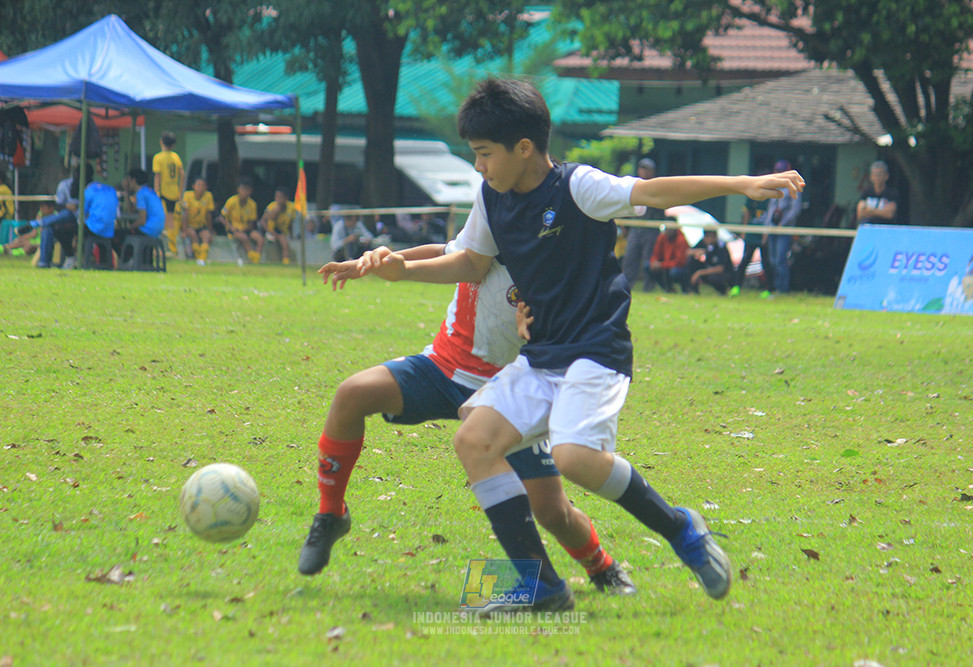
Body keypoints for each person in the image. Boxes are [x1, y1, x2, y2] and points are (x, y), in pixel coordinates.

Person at [325, 78, 805, 612]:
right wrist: (401, 270)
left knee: (576, 458)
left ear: (524, 148)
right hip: (540, 356)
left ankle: (680, 528)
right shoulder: (492, 197)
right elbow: (470, 262)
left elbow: (652, 192)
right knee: (474, 441)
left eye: (485, 154)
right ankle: (546, 589)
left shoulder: (577, 187)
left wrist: (741, 183)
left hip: (595, 352)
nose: (479, 167)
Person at [302, 238, 637, 598]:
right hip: (442, 367)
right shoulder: (496, 218)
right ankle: (330, 514)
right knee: (351, 394)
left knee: (554, 512)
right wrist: (384, 261)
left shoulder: (555, 256)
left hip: (506, 394)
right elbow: (448, 251)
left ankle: (601, 566)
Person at [54, 173, 118, 270]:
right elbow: (118, 214)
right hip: (109, 230)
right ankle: (102, 262)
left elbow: (81, 216)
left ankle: (71, 256)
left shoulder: (88, 192)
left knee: (59, 229)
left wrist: (76, 237)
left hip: (94, 228)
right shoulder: (111, 190)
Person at [621, 157, 664, 292]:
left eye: (648, 169)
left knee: (648, 260)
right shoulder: (633, 185)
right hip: (635, 228)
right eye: (642, 168)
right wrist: (625, 226)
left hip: (651, 229)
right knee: (630, 258)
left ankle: (648, 286)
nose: (645, 172)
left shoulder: (657, 186)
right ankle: (626, 286)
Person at [762, 159, 804, 294]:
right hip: (772, 229)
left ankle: (782, 289)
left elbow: (795, 210)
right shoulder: (774, 186)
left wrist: (783, 223)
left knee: (781, 259)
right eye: (778, 171)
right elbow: (770, 209)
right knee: (772, 260)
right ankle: (774, 287)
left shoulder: (794, 187)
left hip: (785, 229)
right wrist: (767, 228)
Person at [730, 186, 773, 298]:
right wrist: (744, 230)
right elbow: (747, 212)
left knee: (766, 262)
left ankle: (769, 289)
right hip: (752, 233)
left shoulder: (771, 198)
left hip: (764, 233)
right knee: (745, 259)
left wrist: (766, 234)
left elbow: (771, 215)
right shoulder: (752, 196)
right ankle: (736, 286)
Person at [152, 131, 185, 255]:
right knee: (171, 220)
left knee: (162, 220)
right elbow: (182, 174)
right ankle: (172, 247)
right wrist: (180, 192)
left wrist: (156, 193)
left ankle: (162, 249)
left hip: (163, 193)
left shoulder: (158, 158)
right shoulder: (176, 157)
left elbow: (157, 176)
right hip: (174, 193)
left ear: (161, 142)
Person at [118, 168, 165, 254]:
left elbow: (142, 220)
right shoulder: (148, 191)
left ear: (134, 180)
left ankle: (127, 261)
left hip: (149, 228)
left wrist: (130, 227)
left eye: (128, 180)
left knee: (120, 235)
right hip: (158, 228)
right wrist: (126, 191)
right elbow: (131, 211)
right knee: (127, 232)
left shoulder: (141, 194)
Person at [220, 177, 263, 264]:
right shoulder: (231, 201)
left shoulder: (252, 204)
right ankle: (252, 257)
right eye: (243, 189)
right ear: (238, 189)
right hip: (234, 229)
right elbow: (221, 217)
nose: (245, 192)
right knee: (244, 238)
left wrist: (246, 228)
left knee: (260, 239)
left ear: (250, 191)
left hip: (246, 229)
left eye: (247, 190)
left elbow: (252, 221)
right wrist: (230, 227)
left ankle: (257, 257)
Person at [686, 228, 735, 295]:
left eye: (713, 237)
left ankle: (724, 290)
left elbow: (720, 268)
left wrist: (700, 273)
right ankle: (692, 290)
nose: (711, 239)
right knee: (691, 262)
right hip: (707, 270)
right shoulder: (703, 243)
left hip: (723, 273)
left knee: (713, 278)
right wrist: (696, 252)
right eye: (709, 237)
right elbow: (688, 252)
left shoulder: (721, 246)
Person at [180, 177, 216, 265]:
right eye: (198, 185)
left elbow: (208, 215)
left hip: (201, 226)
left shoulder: (208, 196)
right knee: (193, 235)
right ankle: (196, 257)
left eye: (203, 185)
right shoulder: (187, 195)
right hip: (190, 226)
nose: (201, 188)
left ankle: (202, 259)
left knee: (206, 237)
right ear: (193, 186)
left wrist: (210, 229)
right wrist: (184, 230)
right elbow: (185, 214)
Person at [647, 224, 690, 293]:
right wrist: (654, 262)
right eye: (666, 229)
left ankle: (685, 288)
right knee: (648, 266)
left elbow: (680, 262)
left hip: (679, 267)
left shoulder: (681, 240)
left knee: (674, 272)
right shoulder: (662, 237)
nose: (668, 231)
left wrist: (662, 265)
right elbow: (656, 253)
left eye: (670, 229)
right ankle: (668, 288)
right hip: (666, 264)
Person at [259, 186, 295, 265]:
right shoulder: (272, 207)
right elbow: (263, 221)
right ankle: (257, 259)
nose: (277, 199)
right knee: (282, 242)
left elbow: (290, 223)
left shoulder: (291, 207)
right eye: (276, 197)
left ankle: (286, 262)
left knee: (285, 243)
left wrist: (291, 235)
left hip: (281, 230)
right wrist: (270, 231)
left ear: (286, 198)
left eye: (280, 197)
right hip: (270, 229)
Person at [855, 160, 898, 226]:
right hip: (868, 229)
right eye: (875, 174)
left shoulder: (892, 193)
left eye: (880, 174)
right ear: (871, 177)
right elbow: (860, 214)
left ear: (886, 176)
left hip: (886, 229)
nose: (878, 177)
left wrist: (870, 211)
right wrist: (881, 212)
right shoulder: (866, 193)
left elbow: (889, 214)